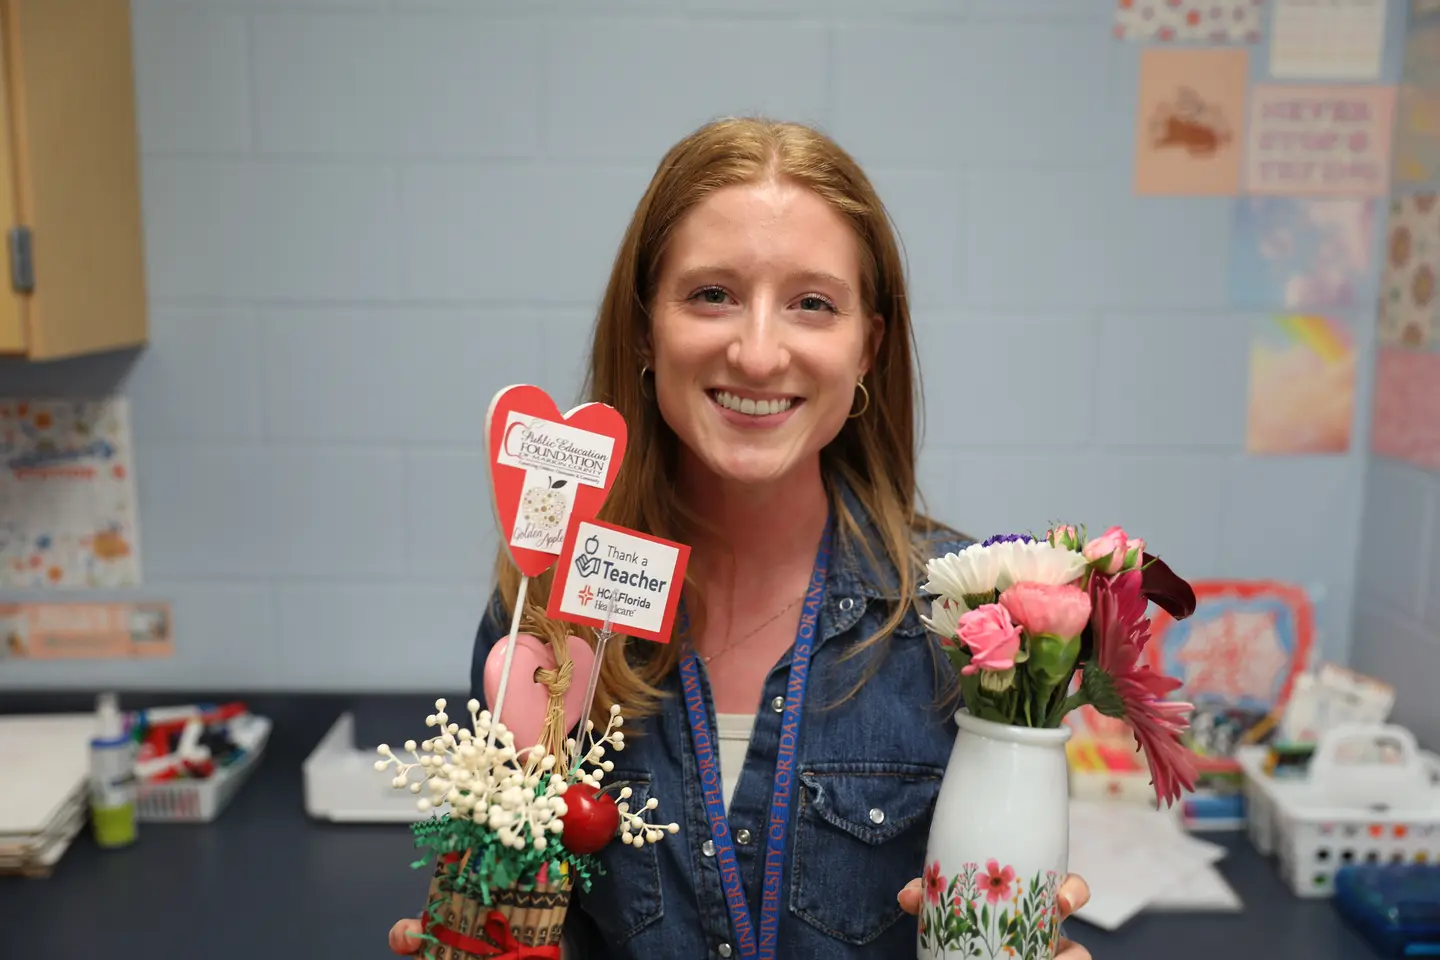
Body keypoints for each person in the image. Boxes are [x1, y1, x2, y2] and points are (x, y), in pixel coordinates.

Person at [389, 116, 1092, 959]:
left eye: (813, 304)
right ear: (646, 327)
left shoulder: (971, 627)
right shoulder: (543, 620)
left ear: (867, 345)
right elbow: (536, 916)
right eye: (712, 294)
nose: (758, 354)